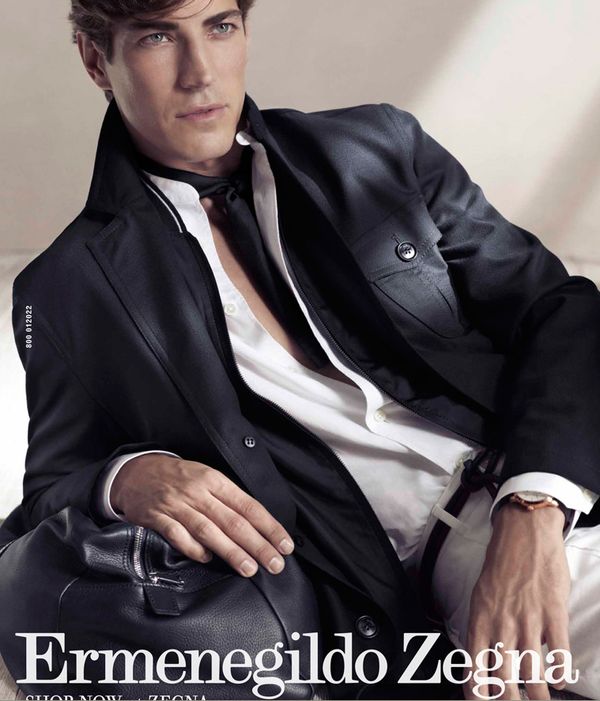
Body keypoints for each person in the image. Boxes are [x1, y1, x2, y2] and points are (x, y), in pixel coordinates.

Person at [2, 0, 600, 698]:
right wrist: (127, 476)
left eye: (220, 26)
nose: (201, 73)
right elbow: (49, 488)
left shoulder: (379, 149)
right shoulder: (68, 287)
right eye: (159, 37)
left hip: (552, 484)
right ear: (96, 59)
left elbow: (558, 310)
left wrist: (532, 509)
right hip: (400, 590)